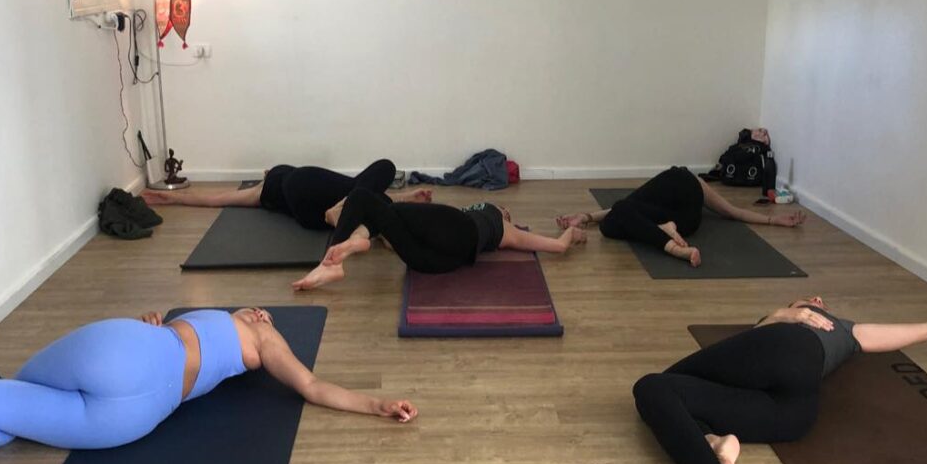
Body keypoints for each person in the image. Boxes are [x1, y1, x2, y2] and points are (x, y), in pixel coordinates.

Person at [631, 296, 927, 464]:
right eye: (806, 301)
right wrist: (785, 313)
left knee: (658, 385)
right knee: (669, 395)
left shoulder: (840, 329)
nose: (815, 301)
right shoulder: (833, 330)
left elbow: (925, 330)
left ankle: (714, 446)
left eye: (817, 303)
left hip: (789, 352)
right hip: (794, 416)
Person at [0, 307, 417, 464]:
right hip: (137, 417)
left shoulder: (260, 333)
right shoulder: (227, 329)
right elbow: (312, 386)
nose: (261, 312)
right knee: (17, 404)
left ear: (262, 319)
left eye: (265, 314)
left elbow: (312, 385)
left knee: (14, 387)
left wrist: (376, 404)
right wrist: (379, 406)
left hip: (127, 352)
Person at [292, 188, 587, 290]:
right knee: (375, 207)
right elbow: (397, 237)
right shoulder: (466, 216)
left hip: (460, 236)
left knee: (372, 202)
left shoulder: (505, 228)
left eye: (506, 210)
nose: (505, 209)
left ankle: (349, 246)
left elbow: (557, 246)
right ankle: (346, 251)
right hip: (427, 261)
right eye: (504, 208)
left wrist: (573, 232)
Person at [555, 166, 806, 267]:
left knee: (616, 219)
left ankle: (675, 247)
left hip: (678, 207)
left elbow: (626, 207)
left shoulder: (670, 185)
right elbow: (732, 212)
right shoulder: (693, 183)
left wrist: (586, 217)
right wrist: (773, 220)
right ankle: (667, 230)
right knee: (619, 215)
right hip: (686, 213)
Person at [142, 158, 431, 230]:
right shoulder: (272, 183)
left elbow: (215, 199)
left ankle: (354, 210)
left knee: (358, 192)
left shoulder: (260, 193)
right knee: (385, 167)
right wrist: (171, 196)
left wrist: (174, 197)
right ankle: (376, 212)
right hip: (311, 195)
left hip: (311, 216)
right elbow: (213, 199)